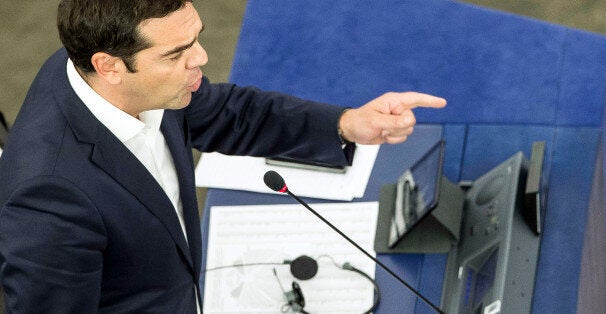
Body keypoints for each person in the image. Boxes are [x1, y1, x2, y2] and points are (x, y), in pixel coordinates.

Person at [0, 0, 446, 312]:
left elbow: (226, 113)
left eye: (195, 38)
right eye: (176, 53)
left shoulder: (109, 66)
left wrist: (347, 124)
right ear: (109, 66)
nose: (202, 58)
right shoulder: (48, 200)